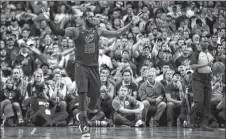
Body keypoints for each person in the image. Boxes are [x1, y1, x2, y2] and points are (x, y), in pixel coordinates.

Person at [41, 7, 141, 137]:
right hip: (81, 66)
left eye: (94, 15)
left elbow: (117, 33)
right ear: (84, 19)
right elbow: (58, 31)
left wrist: (131, 24)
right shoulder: (75, 31)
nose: (94, 18)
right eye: (91, 15)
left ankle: (83, 115)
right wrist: (48, 19)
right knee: (82, 92)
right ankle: (83, 123)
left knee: (95, 97)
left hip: (94, 68)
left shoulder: (98, 30)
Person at [189, 41, 214, 131]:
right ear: (198, 46)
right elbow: (192, 66)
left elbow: (212, 66)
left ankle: (204, 124)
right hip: (198, 80)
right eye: (200, 45)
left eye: (205, 44)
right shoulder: (195, 54)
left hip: (207, 79)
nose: (202, 46)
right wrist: (205, 64)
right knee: (199, 102)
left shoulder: (209, 54)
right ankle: (190, 119)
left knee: (207, 102)